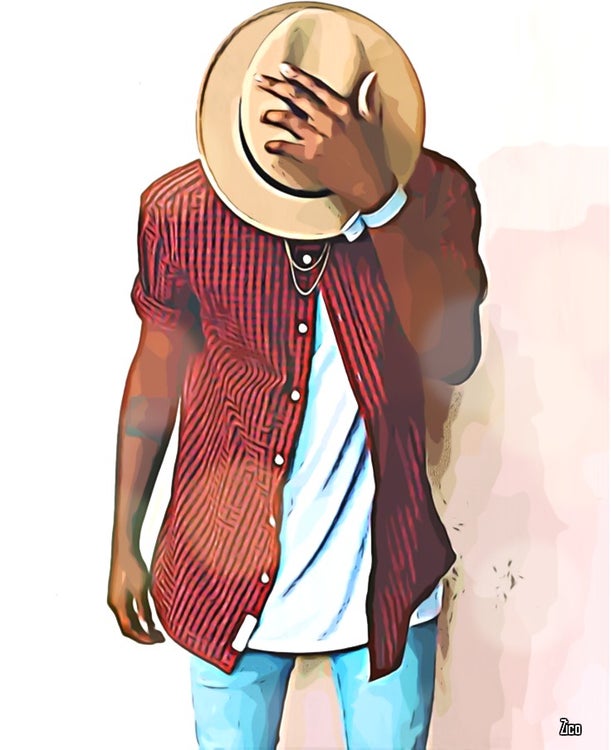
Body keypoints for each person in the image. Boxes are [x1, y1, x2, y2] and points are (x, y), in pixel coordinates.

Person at [107, 4, 487, 749]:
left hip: (387, 585)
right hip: (218, 580)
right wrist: (124, 539)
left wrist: (378, 202)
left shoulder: (436, 195)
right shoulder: (182, 211)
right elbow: (155, 374)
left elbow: (452, 356)